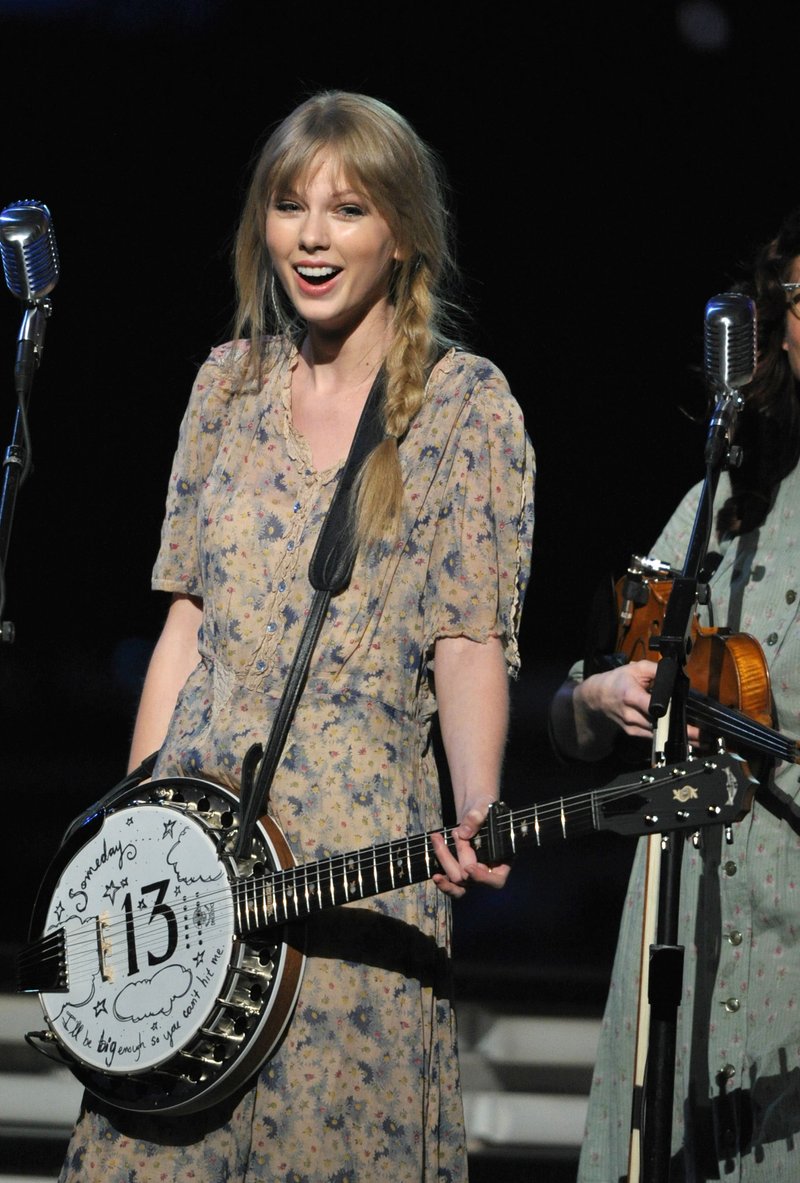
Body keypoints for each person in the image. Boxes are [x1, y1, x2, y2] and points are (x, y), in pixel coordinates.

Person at [57, 90, 535, 1183]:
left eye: (348, 209)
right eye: (289, 206)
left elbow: (468, 636)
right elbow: (187, 621)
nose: (311, 237)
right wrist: (127, 843)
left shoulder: (464, 410)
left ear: (401, 232)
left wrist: (475, 800)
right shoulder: (226, 385)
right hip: (193, 870)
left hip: (351, 866)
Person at [550, 206, 800, 1181]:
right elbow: (574, 711)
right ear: (775, 322)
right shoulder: (720, 501)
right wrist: (596, 695)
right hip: (684, 961)